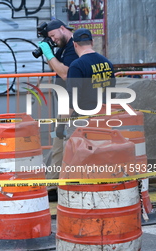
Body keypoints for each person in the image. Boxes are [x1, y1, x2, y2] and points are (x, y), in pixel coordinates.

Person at [38, 19, 79, 201]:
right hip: (64, 104)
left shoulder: (73, 47)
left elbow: (64, 72)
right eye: (50, 38)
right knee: (57, 147)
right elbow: (55, 67)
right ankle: (53, 187)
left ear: (63, 29)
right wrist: (50, 53)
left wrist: (49, 53)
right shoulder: (63, 48)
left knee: (67, 145)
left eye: (53, 36)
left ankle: (70, 185)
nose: (53, 39)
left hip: (72, 106)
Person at [56, 28, 116, 141]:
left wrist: (61, 125)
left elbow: (72, 99)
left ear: (74, 44)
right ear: (92, 42)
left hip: (83, 121)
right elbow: (111, 93)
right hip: (104, 118)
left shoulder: (77, 66)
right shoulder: (107, 63)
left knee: (76, 154)